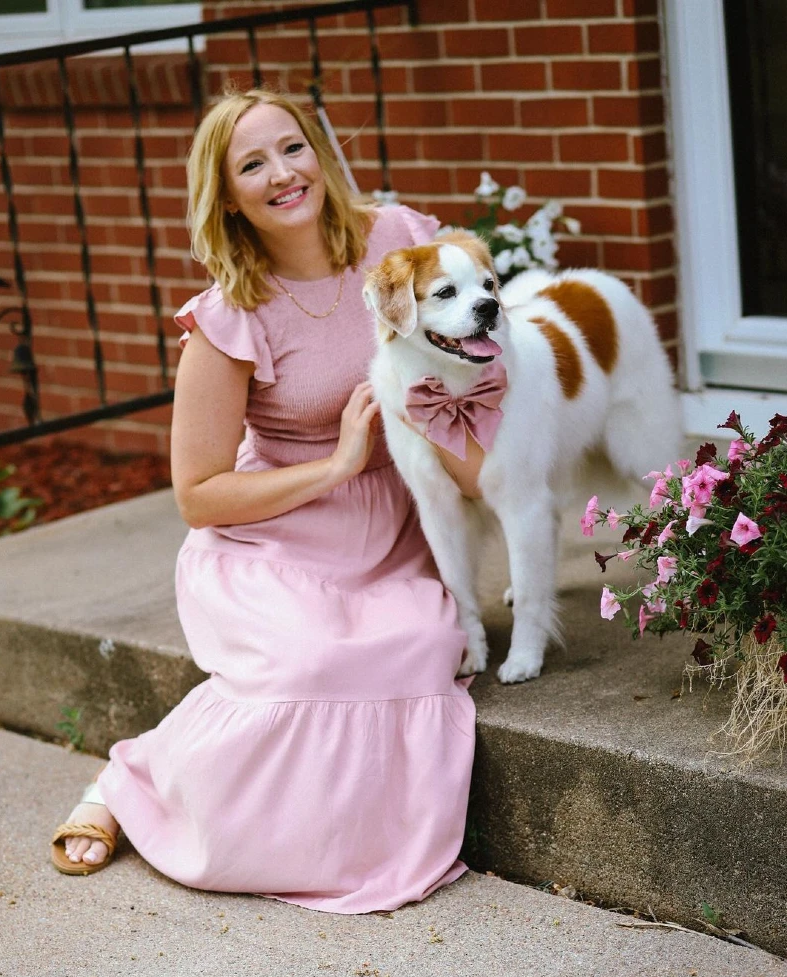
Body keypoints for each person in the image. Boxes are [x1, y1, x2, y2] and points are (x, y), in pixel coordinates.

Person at [50, 87, 476, 913]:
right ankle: (134, 782)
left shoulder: (401, 240)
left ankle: (347, 845)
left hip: (395, 528)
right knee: (309, 664)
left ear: (318, 151)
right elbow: (199, 494)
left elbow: (479, 367)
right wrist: (338, 462)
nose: (283, 174)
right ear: (229, 194)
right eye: (253, 163)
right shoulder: (229, 315)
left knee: (420, 646)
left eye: (292, 147)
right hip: (279, 538)